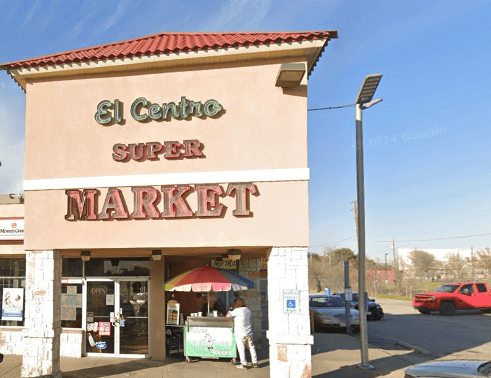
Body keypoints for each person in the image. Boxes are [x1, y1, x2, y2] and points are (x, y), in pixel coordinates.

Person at [226, 298, 258, 369]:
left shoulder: (237, 310)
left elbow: (227, 316)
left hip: (240, 333)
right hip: (249, 332)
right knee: (251, 347)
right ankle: (255, 362)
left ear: (238, 304)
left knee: (241, 349)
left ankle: (244, 364)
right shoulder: (248, 310)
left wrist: (231, 308)